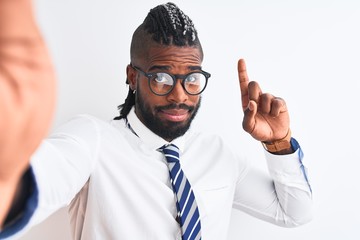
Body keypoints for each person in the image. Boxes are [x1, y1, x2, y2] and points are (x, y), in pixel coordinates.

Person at [0, 1, 312, 240]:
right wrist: (8, 162)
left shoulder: (218, 154)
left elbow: (294, 213)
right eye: (161, 78)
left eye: (191, 79)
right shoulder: (93, 140)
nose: (180, 96)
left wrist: (278, 143)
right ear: (133, 77)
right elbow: (42, 178)